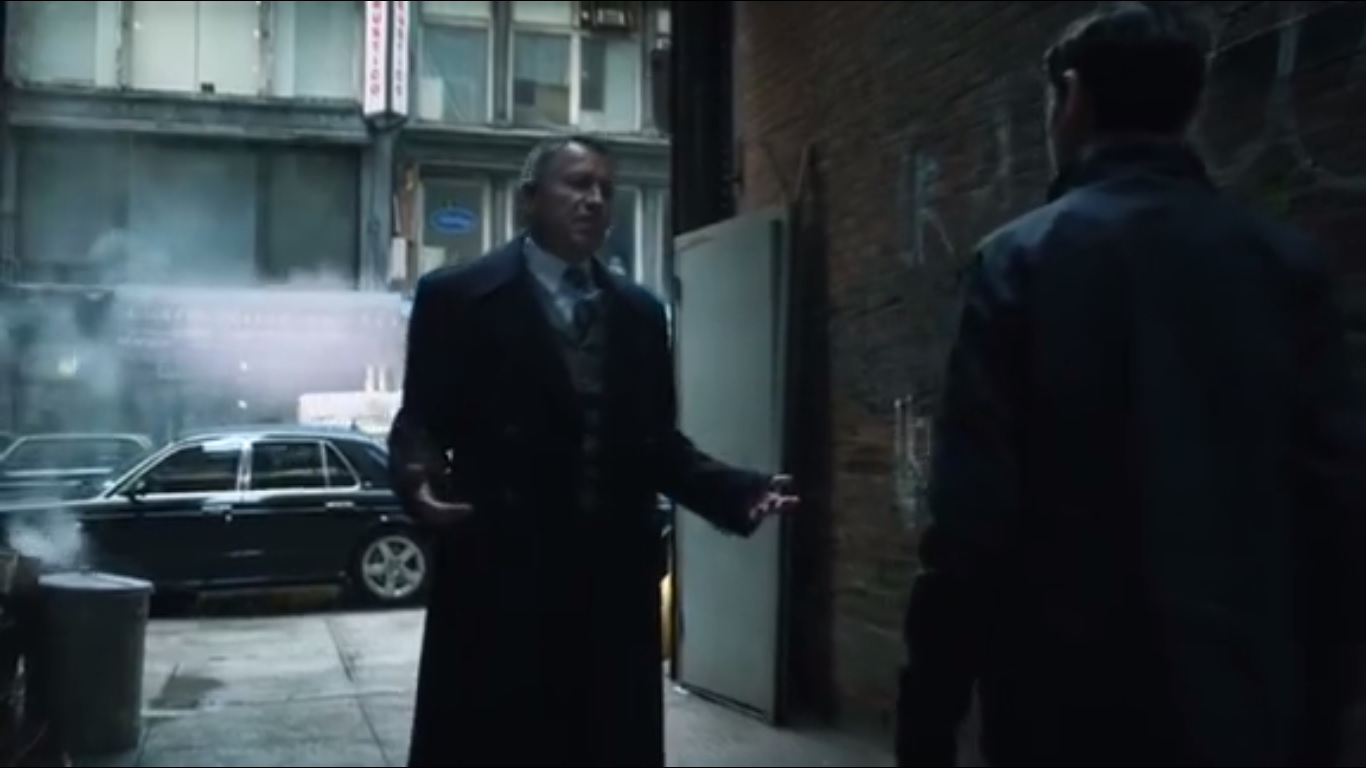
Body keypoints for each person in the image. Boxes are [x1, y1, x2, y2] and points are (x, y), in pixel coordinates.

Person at [895, 2, 1366, 766]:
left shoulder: (1019, 262)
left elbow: (973, 515)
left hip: (1064, 701)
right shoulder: (1285, 265)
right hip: (1241, 698)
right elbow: (1337, 501)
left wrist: (928, 717)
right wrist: (1322, 707)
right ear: (1188, 105)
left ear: (1073, 96)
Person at [390, 134, 797, 768]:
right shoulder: (457, 298)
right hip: (501, 572)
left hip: (610, 580)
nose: (594, 200)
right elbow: (421, 418)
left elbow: (655, 444)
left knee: (604, 743)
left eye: (606, 190)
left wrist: (737, 490)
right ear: (530, 199)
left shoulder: (639, 313)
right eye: (578, 184)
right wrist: (417, 475)